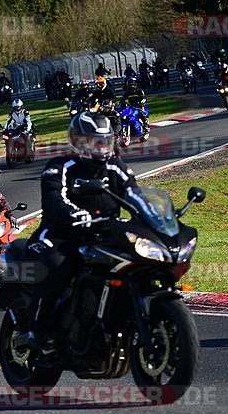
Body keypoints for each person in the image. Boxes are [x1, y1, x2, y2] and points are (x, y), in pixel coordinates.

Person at [18, 111, 140, 353]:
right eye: (96, 142)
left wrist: (153, 215)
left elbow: (135, 194)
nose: (102, 148)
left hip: (103, 235)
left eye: (105, 142)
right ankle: (39, 331)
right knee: (57, 265)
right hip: (60, 236)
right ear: (78, 142)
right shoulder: (60, 167)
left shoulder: (115, 167)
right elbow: (54, 201)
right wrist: (77, 215)